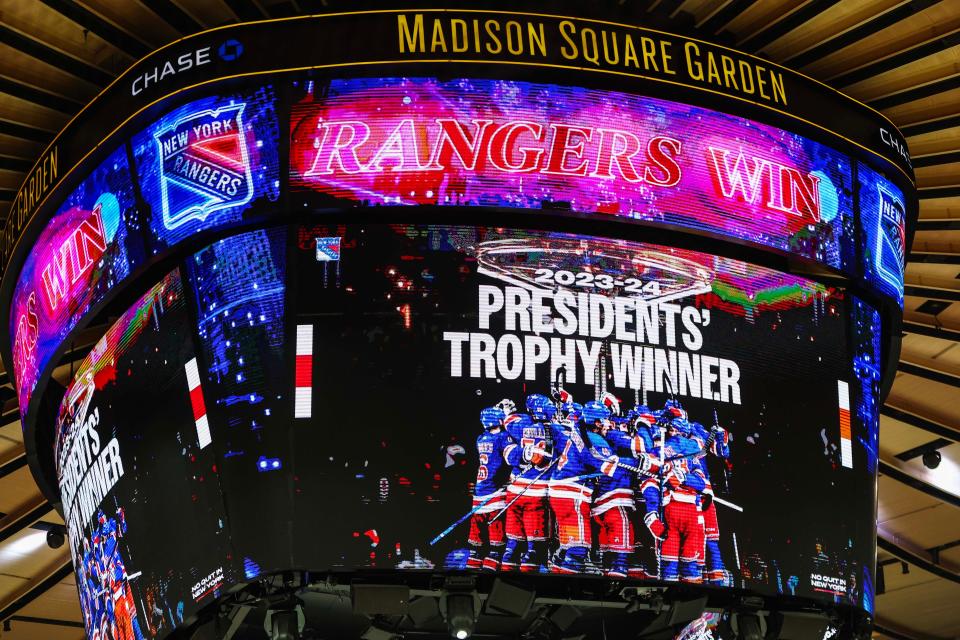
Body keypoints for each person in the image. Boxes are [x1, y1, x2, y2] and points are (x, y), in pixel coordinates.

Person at [501, 401, 552, 572]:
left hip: (514, 489)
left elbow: (507, 421)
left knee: (512, 546)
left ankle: (507, 570)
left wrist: (509, 411)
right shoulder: (554, 429)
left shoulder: (519, 423)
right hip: (536, 490)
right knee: (533, 549)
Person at [660, 416, 708, 583]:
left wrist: (684, 477)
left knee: (689, 564)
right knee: (670, 565)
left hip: (690, 511)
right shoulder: (662, 448)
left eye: (674, 430)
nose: (672, 433)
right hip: (671, 509)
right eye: (671, 430)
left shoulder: (693, 457)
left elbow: (701, 483)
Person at [467, 407, 513, 570]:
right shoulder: (502, 437)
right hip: (494, 495)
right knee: (495, 549)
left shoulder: (480, 438)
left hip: (479, 494)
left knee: (476, 550)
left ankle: (472, 570)